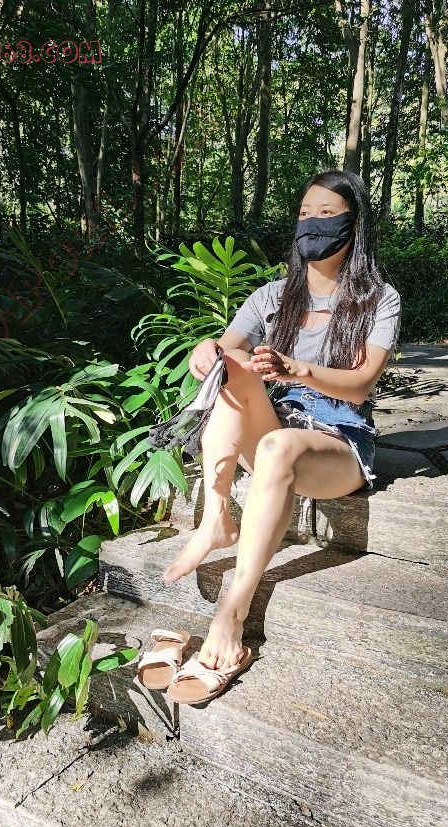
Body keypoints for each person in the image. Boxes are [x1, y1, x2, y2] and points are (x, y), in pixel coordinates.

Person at [162, 169, 402, 678]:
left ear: (354, 224)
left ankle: (232, 612)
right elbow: (226, 349)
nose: (312, 223)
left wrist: (298, 370)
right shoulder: (273, 296)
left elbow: (361, 384)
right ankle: (216, 518)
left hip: (339, 440)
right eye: (304, 214)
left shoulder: (380, 299)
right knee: (232, 366)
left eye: (326, 214)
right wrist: (206, 349)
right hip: (280, 423)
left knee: (277, 448)